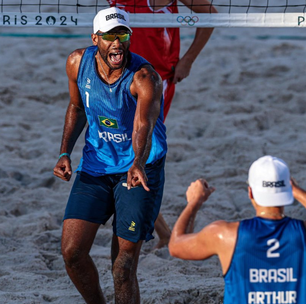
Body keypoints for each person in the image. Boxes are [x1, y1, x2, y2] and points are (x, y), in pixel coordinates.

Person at [53, 7, 167, 304]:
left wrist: (138, 162)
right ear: (96, 39)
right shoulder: (78, 62)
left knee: (123, 266)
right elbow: (77, 108)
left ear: (130, 37)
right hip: (96, 165)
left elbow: (143, 125)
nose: (117, 42)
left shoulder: (145, 77)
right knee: (72, 253)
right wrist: (65, 151)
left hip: (139, 168)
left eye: (122, 35)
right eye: (109, 36)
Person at [108, 0, 217, 248]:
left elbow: (210, 14)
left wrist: (188, 59)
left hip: (156, 80)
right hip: (119, 77)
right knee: (125, 155)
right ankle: (164, 233)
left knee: (136, 154)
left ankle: (163, 233)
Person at [169, 155, 306, 303]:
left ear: (250, 192)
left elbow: (176, 245)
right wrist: (296, 190)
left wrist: (195, 201)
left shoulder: (225, 234)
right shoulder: (302, 233)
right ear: (289, 191)